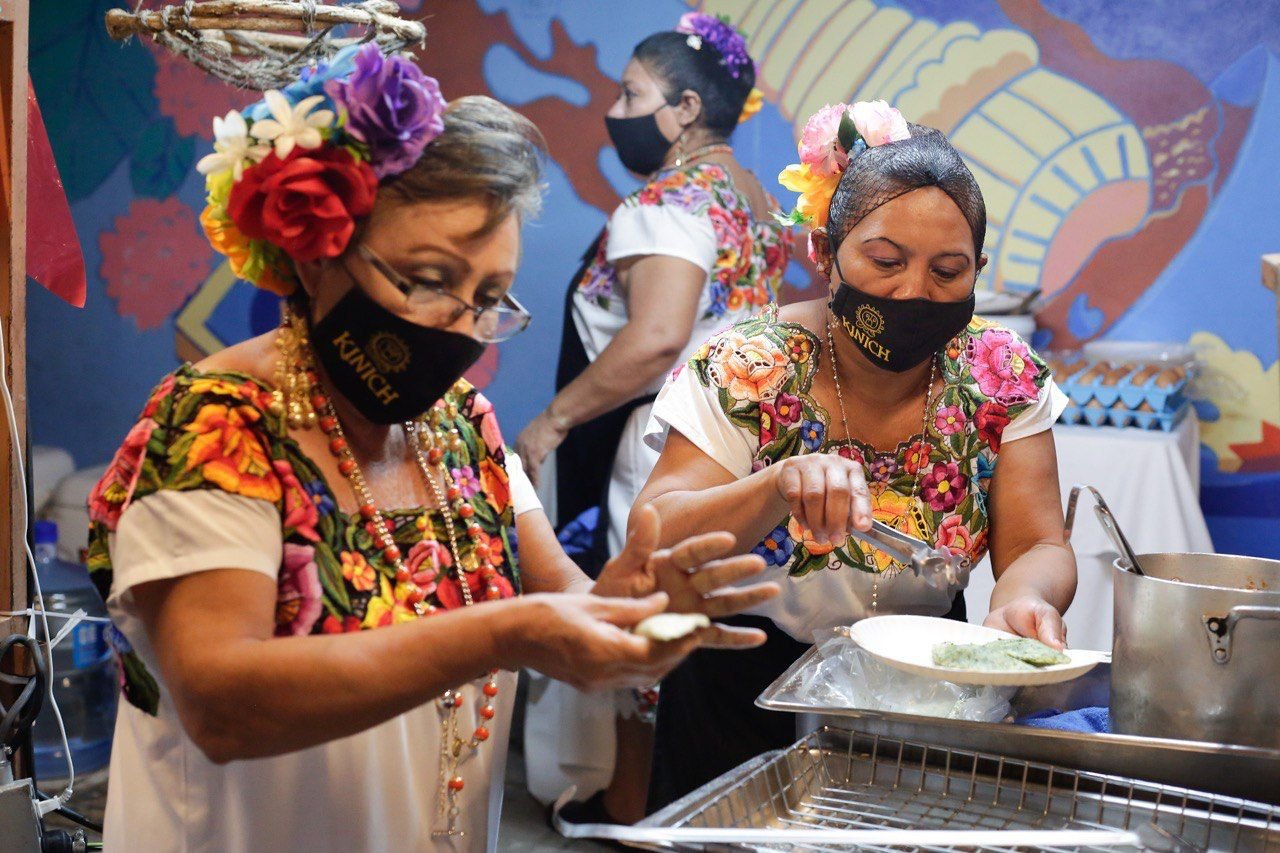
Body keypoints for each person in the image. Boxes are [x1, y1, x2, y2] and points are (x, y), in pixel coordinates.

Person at [84, 44, 777, 851]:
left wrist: (637, 612)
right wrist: (503, 632)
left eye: (487, 298)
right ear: (315, 253)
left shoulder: (463, 428)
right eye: (426, 278)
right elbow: (221, 700)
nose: (458, 324)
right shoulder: (220, 423)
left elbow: (569, 603)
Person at [636, 100, 1077, 808]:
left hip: (928, 693)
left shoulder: (1001, 376)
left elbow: (1039, 543)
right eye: (885, 260)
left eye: (948, 271)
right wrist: (776, 484)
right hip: (740, 691)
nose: (913, 291)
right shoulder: (749, 364)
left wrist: (1025, 598)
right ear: (823, 252)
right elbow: (655, 535)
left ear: (979, 270)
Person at [514, 13, 786, 824]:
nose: (618, 107)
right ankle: (693, 807)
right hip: (741, 435)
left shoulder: (667, 202)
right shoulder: (752, 197)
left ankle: (634, 811)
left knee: (647, 616)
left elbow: (657, 337)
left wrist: (551, 421)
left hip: (665, 437)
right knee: (705, 615)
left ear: (687, 111)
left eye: (634, 93)